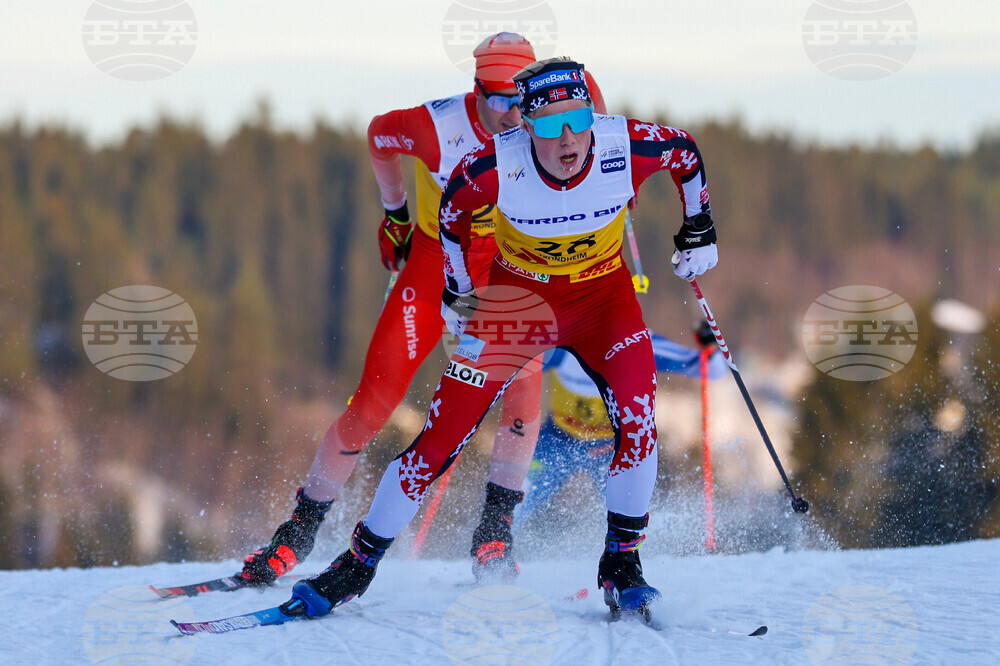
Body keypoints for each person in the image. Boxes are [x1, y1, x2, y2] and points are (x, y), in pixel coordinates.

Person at [285, 56, 717, 619]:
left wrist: (698, 228)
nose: (567, 139)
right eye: (547, 125)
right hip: (517, 308)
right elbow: (451, 223)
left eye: (578, 120)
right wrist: (459, 297)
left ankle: (622, 562)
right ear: (525, 126)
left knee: (637, 423)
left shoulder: (625, 144)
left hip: (603, 306)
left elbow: (685, 153)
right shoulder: (488, 168)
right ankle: (356, 565)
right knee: (438, 440)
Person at [238, 34, 607, 587]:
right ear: (475, 89)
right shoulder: (435, 128)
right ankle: (298, 530)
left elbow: (599, 128)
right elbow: (378, 137)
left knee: (524, 391)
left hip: (507, 266)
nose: (512, 114)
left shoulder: (552, 106)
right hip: (435, 263)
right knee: (371, 406)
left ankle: (494, 531)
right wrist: (396, 214)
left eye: (521, 100)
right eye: (498, 99)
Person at [515, 333, 726, 532]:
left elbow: (713, 369)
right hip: (560, 440)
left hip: (614, 448)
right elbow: (505, 365)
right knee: (515, 495)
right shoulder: (563, 342)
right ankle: (494, 550)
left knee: (631, 515)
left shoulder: (640, 343)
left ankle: (639, 558)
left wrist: (710, 347)